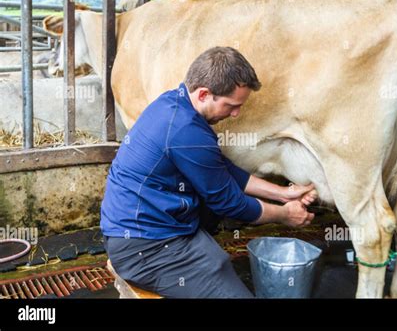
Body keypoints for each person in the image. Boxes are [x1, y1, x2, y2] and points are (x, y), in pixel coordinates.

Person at [100, 46, 318, 298]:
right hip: (144, 249)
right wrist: (284, 215)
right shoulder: (187, 131)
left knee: (215, 252)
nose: (236, 113)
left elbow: (221, 170)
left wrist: (284, 193)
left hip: (137, 231)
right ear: (204, 94)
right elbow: (229, 202)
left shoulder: (173, 103)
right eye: (231, 105)